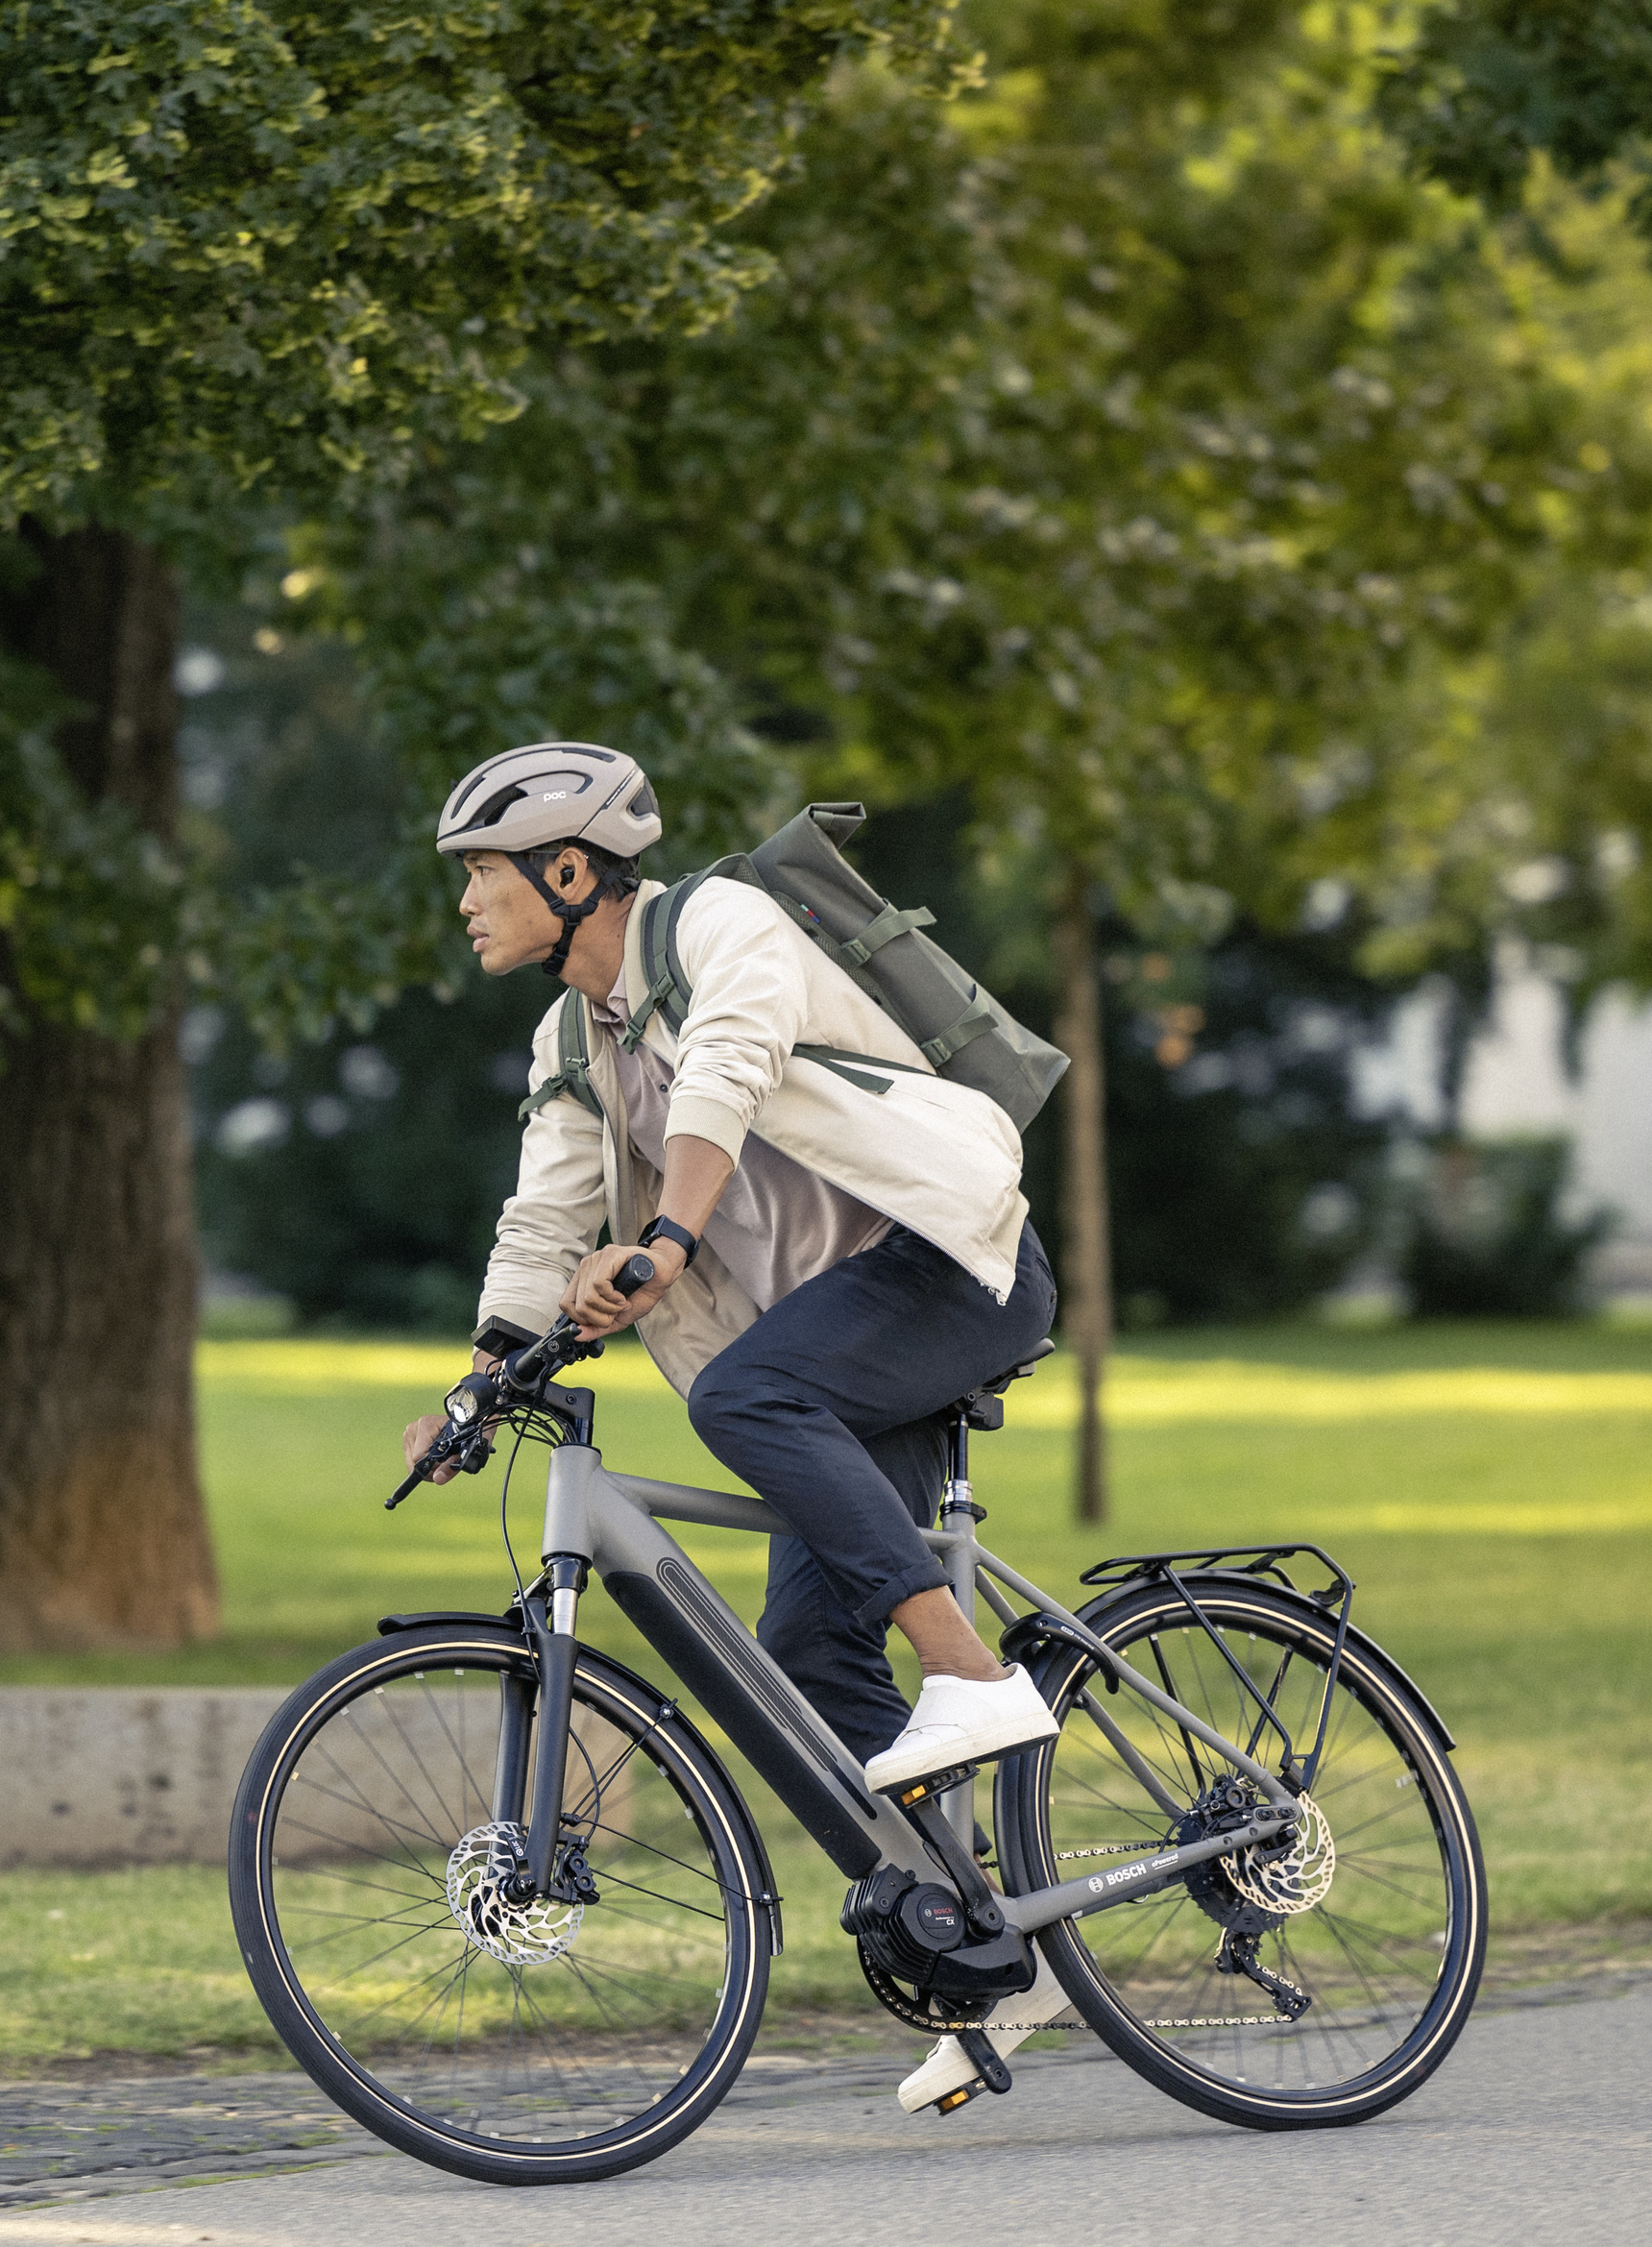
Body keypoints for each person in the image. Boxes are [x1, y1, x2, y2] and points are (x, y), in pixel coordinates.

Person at [399, 741, 1068, 2112]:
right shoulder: (571, 1036)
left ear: (569, 871)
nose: (466, 902)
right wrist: (480, 1376)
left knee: (746, 1394)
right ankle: (1008, 1950)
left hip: (950, 1267)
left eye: (482, 875)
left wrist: (660, 1240)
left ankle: (977, 1675)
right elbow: (543, 1210)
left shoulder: (721, 923)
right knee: (810, 1652)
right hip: (837, 1337)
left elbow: (732, 1071)